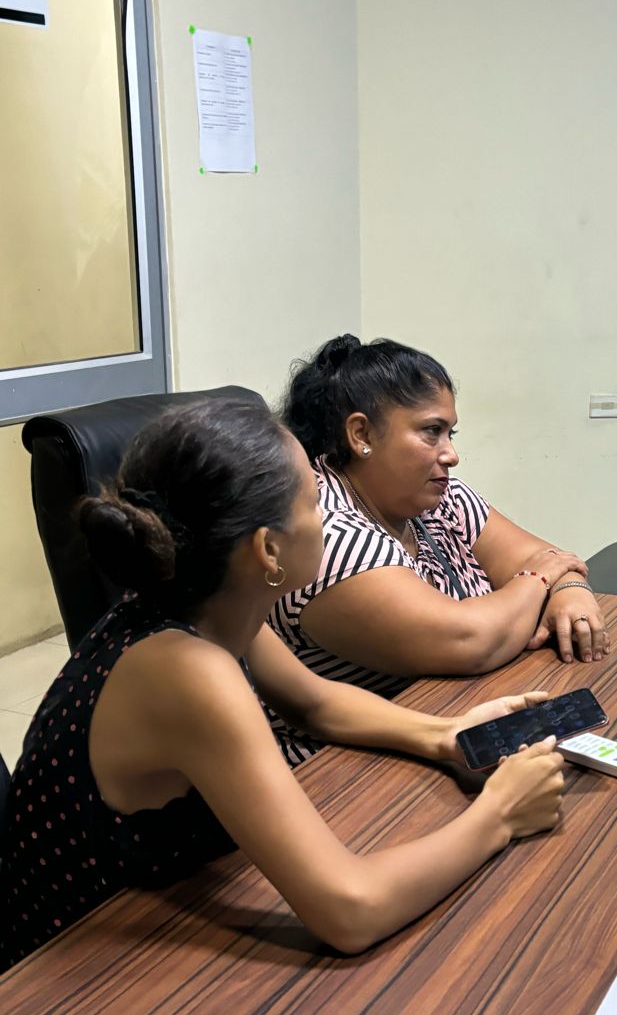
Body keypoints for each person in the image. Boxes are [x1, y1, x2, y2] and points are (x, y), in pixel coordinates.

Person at [0, 399, 565, 973]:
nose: (329, 518)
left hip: (158, 908)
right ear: (268, 550)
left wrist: (446, 735)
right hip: (68, 974)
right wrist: (499, 814)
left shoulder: (208, 603)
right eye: (316, 503)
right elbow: (350, 910)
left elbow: (314, 703)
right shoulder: (187, 669)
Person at [270, 336, 609, 763]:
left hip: (453, 724)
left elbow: (548, 557)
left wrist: (569, 590)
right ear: (361, 434)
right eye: (432, 432)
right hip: (346, 768)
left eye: (450, 433)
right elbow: (470, 640)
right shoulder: (326, 531)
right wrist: (541, 579)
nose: (451, 455)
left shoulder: (435, 496)